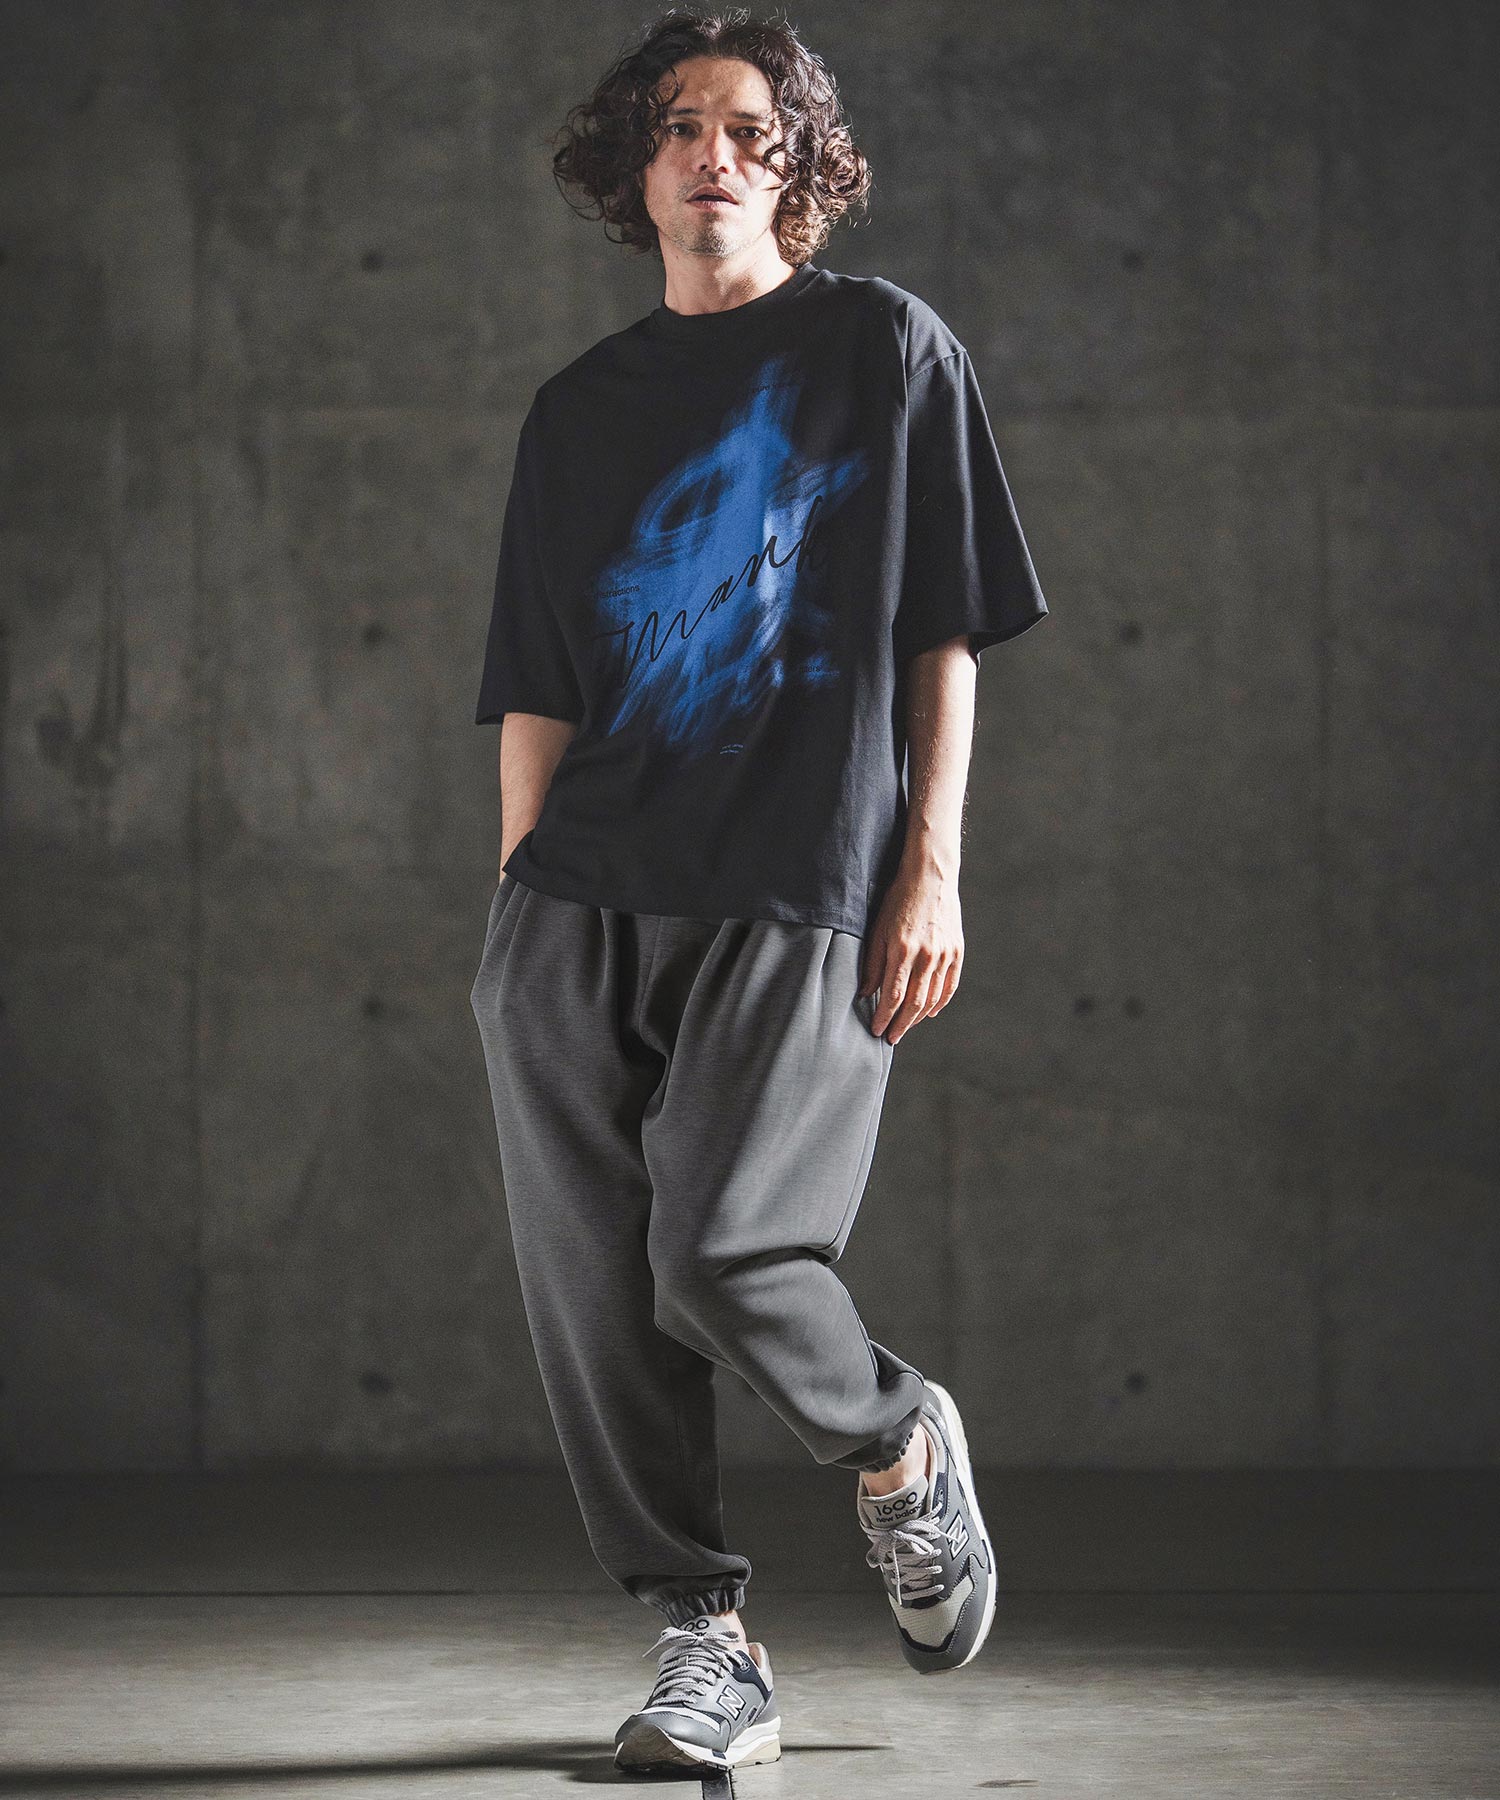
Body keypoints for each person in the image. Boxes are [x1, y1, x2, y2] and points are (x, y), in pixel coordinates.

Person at [469, 7, 1048, 1776]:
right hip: (581, 895)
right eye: (678, 126)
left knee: (721, 1251)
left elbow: (946, 630)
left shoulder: (884, 349)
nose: (711, 154)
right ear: (633, 169)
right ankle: (703, 1640)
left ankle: (894, 1439)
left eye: (748, 128)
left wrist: (929, 868)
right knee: (592, 1283)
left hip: (801, 878)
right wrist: (521, 896)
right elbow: (538, 681)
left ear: (798, 164)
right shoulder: (579, 411)